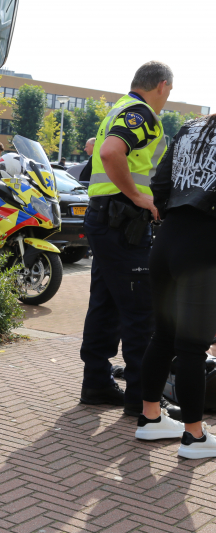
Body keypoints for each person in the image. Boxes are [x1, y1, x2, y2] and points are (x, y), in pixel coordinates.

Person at [78, 61, 182, 420]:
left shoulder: (119, 109)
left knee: (104, 304)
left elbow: (97, 149)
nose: (168, 98)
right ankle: (142, 398)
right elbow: (109, 153)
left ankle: (96, 384)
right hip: (124, 222)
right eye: (169, 91)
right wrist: (138, 197)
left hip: (105, 220)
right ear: (162, 85)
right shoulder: (142, 113)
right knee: (141, 312)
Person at [136, 115, 216, 457]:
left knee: (163, 337)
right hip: (202, 246)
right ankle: (194, 437)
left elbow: (160, 183)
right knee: (192, 349)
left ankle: (151, 418)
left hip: (167, 241)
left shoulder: (190, 128)